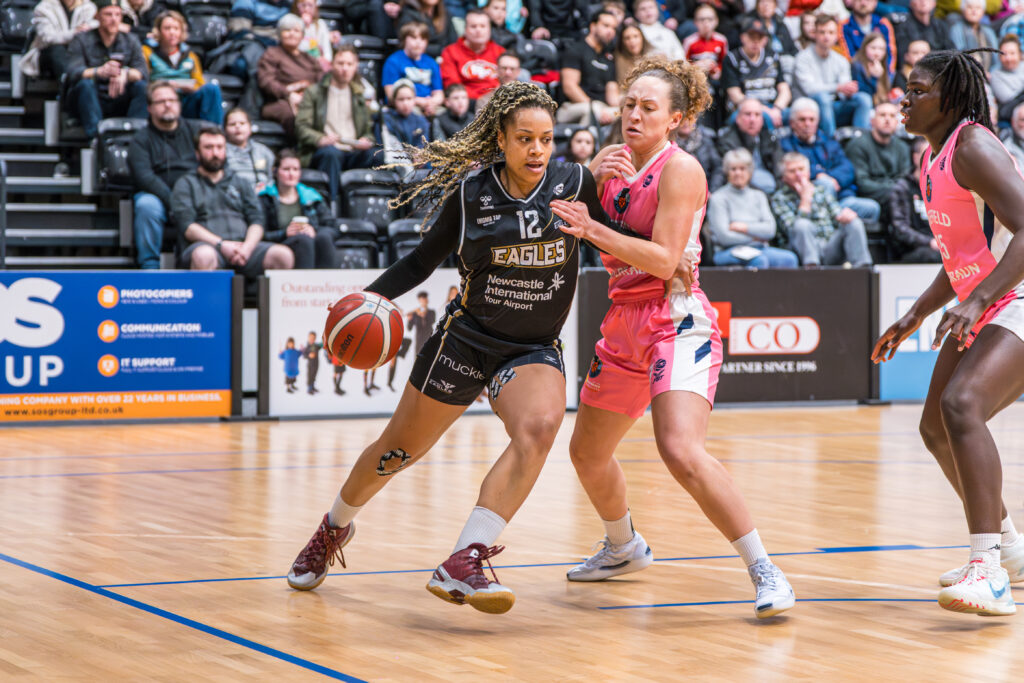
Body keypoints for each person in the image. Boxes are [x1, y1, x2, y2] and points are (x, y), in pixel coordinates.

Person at [285, 81, 608, 614]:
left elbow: (614, 234)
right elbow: (418, 262)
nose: (537, 150)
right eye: (524, 138)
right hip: (464, 342)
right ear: (500, 139)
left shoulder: (575, 182)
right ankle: (334, 526)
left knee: (541, 428)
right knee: (396, 453)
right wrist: (364, 300)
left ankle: (466, 556)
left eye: (546, 139)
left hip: (530, 349)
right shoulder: (471, 194)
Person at [549, 55, 796, 618]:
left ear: (675, 119)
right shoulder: (610, 167)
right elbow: (572, 218)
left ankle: (765, 568)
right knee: (587, 453)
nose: (633, 115)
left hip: (674, 318)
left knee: (680, 449)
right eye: (628, 105)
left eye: (647, 108)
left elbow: (663, 261)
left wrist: (593, 228)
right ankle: (622, 547)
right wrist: (589, 185)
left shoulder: (681, 170)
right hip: (622, 319)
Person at [872, 48, 1024, 616]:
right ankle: (1009, 550)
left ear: (950, 98)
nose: (904, 100)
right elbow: (961, 252)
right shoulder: (932, 156)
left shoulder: (974, 146)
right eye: (904, 91)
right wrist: (915, 313)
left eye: (916, 91)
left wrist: (979, 297)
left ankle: (987, 568)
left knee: (963, 406)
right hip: (987, 298)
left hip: (1015, 296)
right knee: (936, 426)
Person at [173, 126, 295, 276]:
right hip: (208, 246)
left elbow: (257, 221)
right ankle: (207, 300)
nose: (215, 153)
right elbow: (188, 227)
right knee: (204, 255)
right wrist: (221, 244)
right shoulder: (185, 183)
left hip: (244, 247)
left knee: (282, 255)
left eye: (219, 147)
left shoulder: (240, 182)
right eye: (208, 148)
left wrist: (247, 248)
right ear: (197, 154)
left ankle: (266, 300)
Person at [128, 82, 202, 270]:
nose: (167, 105)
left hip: (194, 193)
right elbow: (144, 177)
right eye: (161, 101)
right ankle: (150, 266)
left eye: (171, 100)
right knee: (146, 205)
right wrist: (174, 200)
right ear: (150, 108)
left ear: (179, 104)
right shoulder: (140, 139)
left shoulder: (196, 132)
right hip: (158, 195)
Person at [295, 46, 377, 204]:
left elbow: (368, 131)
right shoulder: (314, 92)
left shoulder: (359, 95)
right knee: (331, 154)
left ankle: (366, 208)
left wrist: (365, 140)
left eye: (349, 64)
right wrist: (320, 139)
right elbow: (301, 127)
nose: (344, 69)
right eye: (340, 63)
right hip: (324, 150)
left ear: (356, 66)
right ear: (332, 64)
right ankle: (331, 206)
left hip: (352, 151)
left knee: (377, 155)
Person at [779, 97, 881, 220]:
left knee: (872, 208)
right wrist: (820, 176)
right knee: (824, 184)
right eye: (802, 119)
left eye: (812, 119)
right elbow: (793, 170)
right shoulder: (785, 144)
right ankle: (830, 227)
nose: (807, 124)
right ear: (792, 123)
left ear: (817, 121)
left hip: (841, 199)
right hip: (810, 201)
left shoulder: (828, 141)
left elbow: (847, 168)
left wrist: (832, 178)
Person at [771, 151, 873, 266]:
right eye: (792, 171)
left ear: (809, 172)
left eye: (801, 169)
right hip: (800, 251)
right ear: (784, 177)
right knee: (802, 225)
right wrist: (805, 200)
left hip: (829, 246)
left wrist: (846, 216)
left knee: (854, 222)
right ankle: (812, 269)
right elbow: (791, 230)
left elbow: (837, 216)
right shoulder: (779, 198)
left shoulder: (821, 191)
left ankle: (863, 268)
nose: (798, 175)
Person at [64, 0, 148, 139]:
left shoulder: (131, 40)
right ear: (97, 16)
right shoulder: (82, 39)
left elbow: (142, 72)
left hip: (119, 95)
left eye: (117, 15)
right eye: (108, 14)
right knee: (85, 84)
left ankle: (136, 137)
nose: (114, 19)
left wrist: (125, 73)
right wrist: (99, 72)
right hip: (91, 96)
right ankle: (97, 138)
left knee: (142, 87)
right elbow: (73, 72)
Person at [707, 148, 798, 266]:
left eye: (742, 168)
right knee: (760, 260)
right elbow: (724, 236)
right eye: (733, 169)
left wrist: (744, 227)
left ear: (750, 171)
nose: (738, 173)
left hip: (760, 248)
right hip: (728, 250)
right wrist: (755, 238)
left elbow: (770, 229)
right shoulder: (718, 198)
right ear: (727, 172)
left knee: (790, 259)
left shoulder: (759, 195)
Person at [794, 14, 872, 136]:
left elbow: (843, 90)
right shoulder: (803, 58)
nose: (826, 37)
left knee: (864, 99)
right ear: (814, 34)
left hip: (835, 105)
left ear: (836, 36)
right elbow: (810, 90)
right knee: (823, 98)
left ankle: (860, 142)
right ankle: (830, 143)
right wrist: (838, 87)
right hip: (810, 107)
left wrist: (848, 90)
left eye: (831, 32)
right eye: (822, 32)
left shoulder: (841, 60)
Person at [259, 149, 339, 269]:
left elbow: (333, 227)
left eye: (295, 169)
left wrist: (313, 230)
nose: (291, 174)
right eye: (286, 169)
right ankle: (303, 285)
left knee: (324, 237)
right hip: (279, 246)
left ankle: (329, 285)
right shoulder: (265, 198)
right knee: (303, 241)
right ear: (275, 171)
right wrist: (285, 233)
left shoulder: (311, 196)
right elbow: (260, 234)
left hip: (308, 242)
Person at [142, 10, 224, 125]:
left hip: (185, 101)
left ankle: (213, 131)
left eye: (176, 28)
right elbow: (145, 81)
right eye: (167, 28)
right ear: (159, 31)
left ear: (181, 32)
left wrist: (184, 86)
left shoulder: (190, 56)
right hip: (161, 100)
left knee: (212, 89)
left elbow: (199, 84)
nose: (172, 32)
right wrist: (168, 84)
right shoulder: (147, 52)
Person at [257, 13, 323, 138]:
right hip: (280, 101)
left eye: (296, 30)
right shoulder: (271, 54)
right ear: (279, 33)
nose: (292, 33)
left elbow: (322, 80)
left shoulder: (310, 59)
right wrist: (289, 94)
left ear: (302, 35)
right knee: (296, 116)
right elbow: (266, 81)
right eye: (287, 30)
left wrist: (309, 96)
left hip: (309, 99)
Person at [721, 17, 791, 129]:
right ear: (742, 37)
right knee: (763, 117)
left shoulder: (773, 57)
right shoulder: (732, 59)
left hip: (773, 107)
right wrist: (765, 110)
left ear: (766, 39)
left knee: (800, 113)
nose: (756, 41)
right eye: (751, 37)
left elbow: (784, 90)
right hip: (745, 110)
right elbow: (735, 95)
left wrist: (777, 109)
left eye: (760, 37)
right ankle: (769, 145)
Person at [556, 10, 620, 126]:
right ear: (593, 26)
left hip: (602, 108)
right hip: (572, 107)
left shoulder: (609, 58)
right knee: (593, 112)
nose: (610, 31)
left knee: (623, 113)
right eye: (606, 26)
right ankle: (584, 141)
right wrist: (595, 107)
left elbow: (612, 96)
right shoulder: (576, 50)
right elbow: (569, 87)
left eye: (614, 28)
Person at [886, 136, 942, 262]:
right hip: (912, 251)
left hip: (939, 246)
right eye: (927, 154)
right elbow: (900, 229)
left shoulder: (942, 186)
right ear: (915, 157)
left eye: (935, 154)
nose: (932, 158)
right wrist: (929, 242)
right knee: (936, 256)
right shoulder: (902, 188)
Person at [845, 102, 910, 209]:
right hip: (868, 197)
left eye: (892, 116)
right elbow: (862, 183)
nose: (887, 119)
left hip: (895, 194)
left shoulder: (902, 147)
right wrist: (893, 188)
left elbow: (905, 179)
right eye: (882, 115)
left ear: (897, 122)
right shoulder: (858, 145)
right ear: (872, 121)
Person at [716, 97, 783, 194]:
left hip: (774, 191)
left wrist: (779, 192)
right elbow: (738, 177)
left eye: (757, 115)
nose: (752, 119)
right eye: (748, 114)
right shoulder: (727, 141)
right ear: (738, 118)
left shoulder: (769, 137)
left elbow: (779, 169)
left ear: (762, 120)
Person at [440, 8, 505, 103]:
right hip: (465, 103)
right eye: (473, 26)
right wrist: (481, 99)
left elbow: (508, 80)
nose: (478, 30)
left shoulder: (500, 52)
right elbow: (452, 86)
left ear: (489, 29)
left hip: (496, 102)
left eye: (483, 26)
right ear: (465, 29)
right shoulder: (450, 52)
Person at [21, 0, 96, 79]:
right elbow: (48, 38)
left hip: (77, 50)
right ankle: (66, 82)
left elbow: (95, 24)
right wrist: (74, 33)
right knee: (58, 50)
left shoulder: (88, 6)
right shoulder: (44, 7)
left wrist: (88, 28)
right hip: (47, 52)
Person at [382, 22, 444, 116]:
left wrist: (431, 103)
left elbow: (439, 93)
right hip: (405, 106)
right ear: (404, 39)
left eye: (423, 39)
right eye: (414, 38)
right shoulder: (393, 61)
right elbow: (391, 95)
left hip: (429, 106)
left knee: (446, 114)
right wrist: (420, 102)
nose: (418, 42)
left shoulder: (431, 63)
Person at [837, 0, 897, 74]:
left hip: (882, 76)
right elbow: (848, 57)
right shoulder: (844, 26)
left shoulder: (883, 24)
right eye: (859, 0)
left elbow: (891, 54)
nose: (863, 3)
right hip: (856, 75)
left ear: (875, 2)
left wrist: (885, 76)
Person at [225, 107, 276, 192]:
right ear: (225, 129)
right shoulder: (221, 151)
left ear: (250, 127)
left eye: (242, 123)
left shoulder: (264, 151)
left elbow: (271, 179)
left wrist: (265, 189)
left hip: (262, 197)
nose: (237, 126)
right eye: (232, 124)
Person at [381, 80, 431, 165]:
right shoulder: (386, 118)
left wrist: (420, 154)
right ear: (394, 100)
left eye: (409, 98)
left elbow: (423, 144)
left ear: (414, 99)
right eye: (401, 99)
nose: (405, 103)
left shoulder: (421, 120)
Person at [895, 0, 953, 66]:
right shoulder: (903, 27)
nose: (923, 1)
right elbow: (902, 58)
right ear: (911, 3)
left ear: (934, 3)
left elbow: (951, 53)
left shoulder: (941, 26)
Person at [681, 5, 728, 82]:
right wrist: (696, 66)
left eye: (710, 19)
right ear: (695, 22)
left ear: (716, 21)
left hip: (715, 80)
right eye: (702, 19)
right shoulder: (689, 41)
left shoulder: (722, 40)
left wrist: (718, 71)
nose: (706, 23)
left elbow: (724, 63)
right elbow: (683, 65)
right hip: (695, 79)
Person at [948, 0, 997, 71]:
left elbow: (996, 57)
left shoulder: (988, 31)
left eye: (978, 8)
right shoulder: (956, 30)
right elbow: (959, 55)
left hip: (989, 76)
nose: (974, 11)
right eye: (970, 7)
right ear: (963, 10)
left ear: (983, 11)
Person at [851, 32, 897, 105]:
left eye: (881, 49)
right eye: (873, 48)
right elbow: (864, 94)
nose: (877, 52)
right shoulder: (857, 65)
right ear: (864, 47)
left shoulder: (886, 67)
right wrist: (874, 78)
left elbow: (887, 91)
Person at [990, 34, 1024, 123]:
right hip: (1011, 115)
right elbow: (1008, 99)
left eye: (1012, 53)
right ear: (999, 57)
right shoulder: (996, 75)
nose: (1008, 58)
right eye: (1004, 54)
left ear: (1020, 54)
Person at [292, 0, 334, 69]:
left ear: (315, 7)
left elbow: (327, 50)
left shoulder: (321, 24)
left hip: (317, 64)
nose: (306, 9)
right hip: (298, 63)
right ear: (297, 6)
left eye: (310, 5)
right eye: (303, 5)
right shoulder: (292, 23)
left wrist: (325, 61)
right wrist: (302, 24)